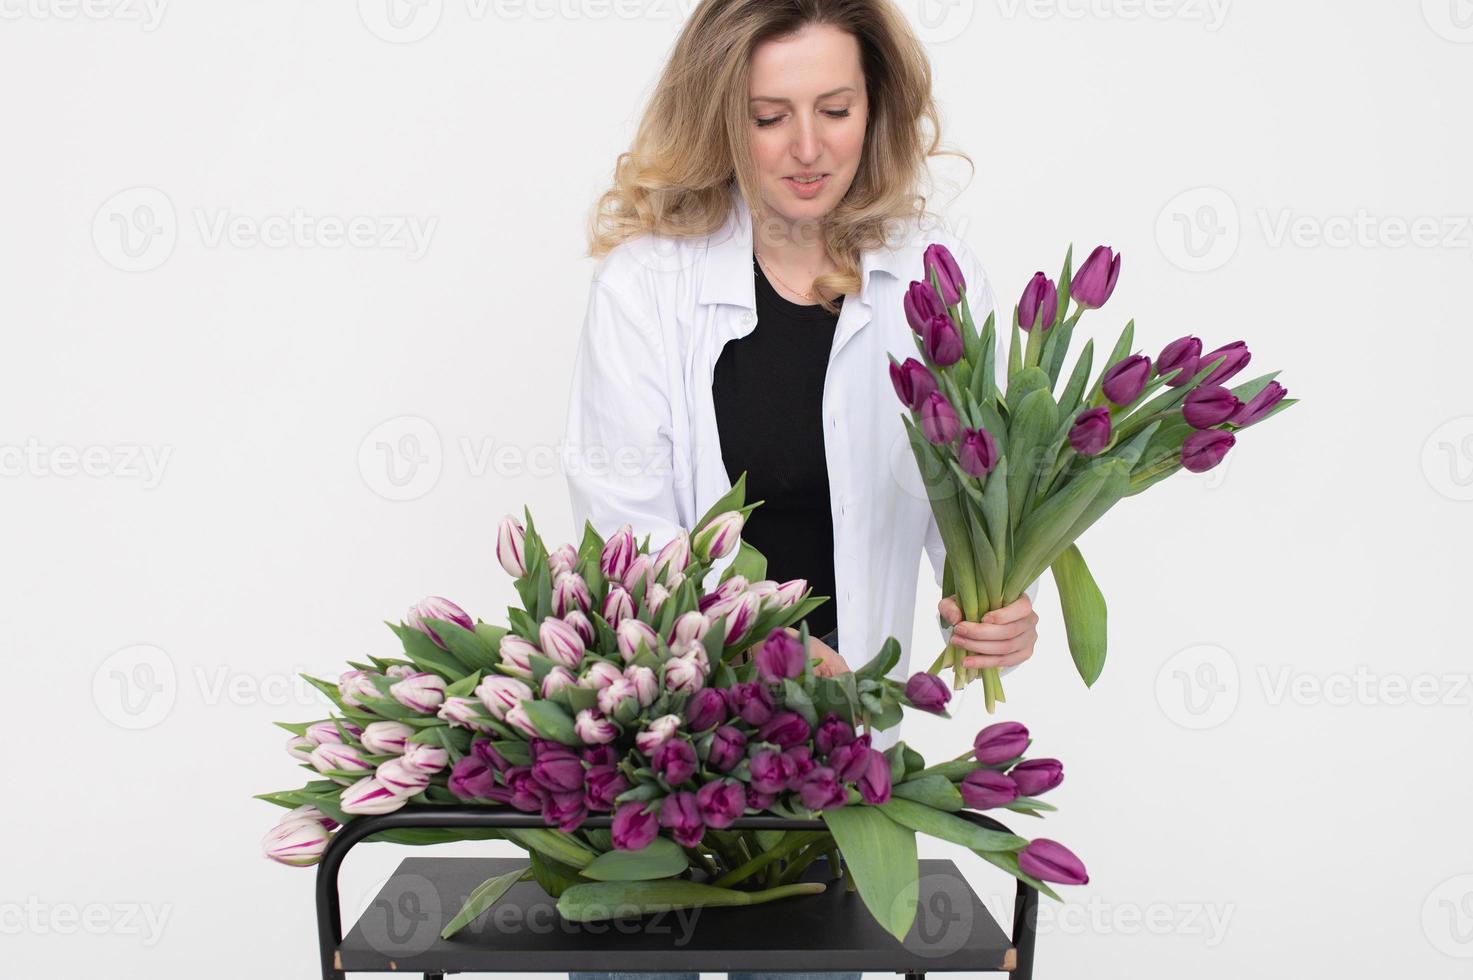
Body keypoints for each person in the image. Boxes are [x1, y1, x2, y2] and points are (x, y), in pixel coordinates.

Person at [562, 3, 1038, 978]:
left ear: (879, 105)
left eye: (836, 107)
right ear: (717, 115)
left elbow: (975, 507)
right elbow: (630, 543)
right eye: (770, 114)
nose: (809, 147)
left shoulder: (933, 280)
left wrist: (998, 604)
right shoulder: (645, 289)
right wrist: (772, 647)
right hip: (664, 741)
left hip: (829, 754)